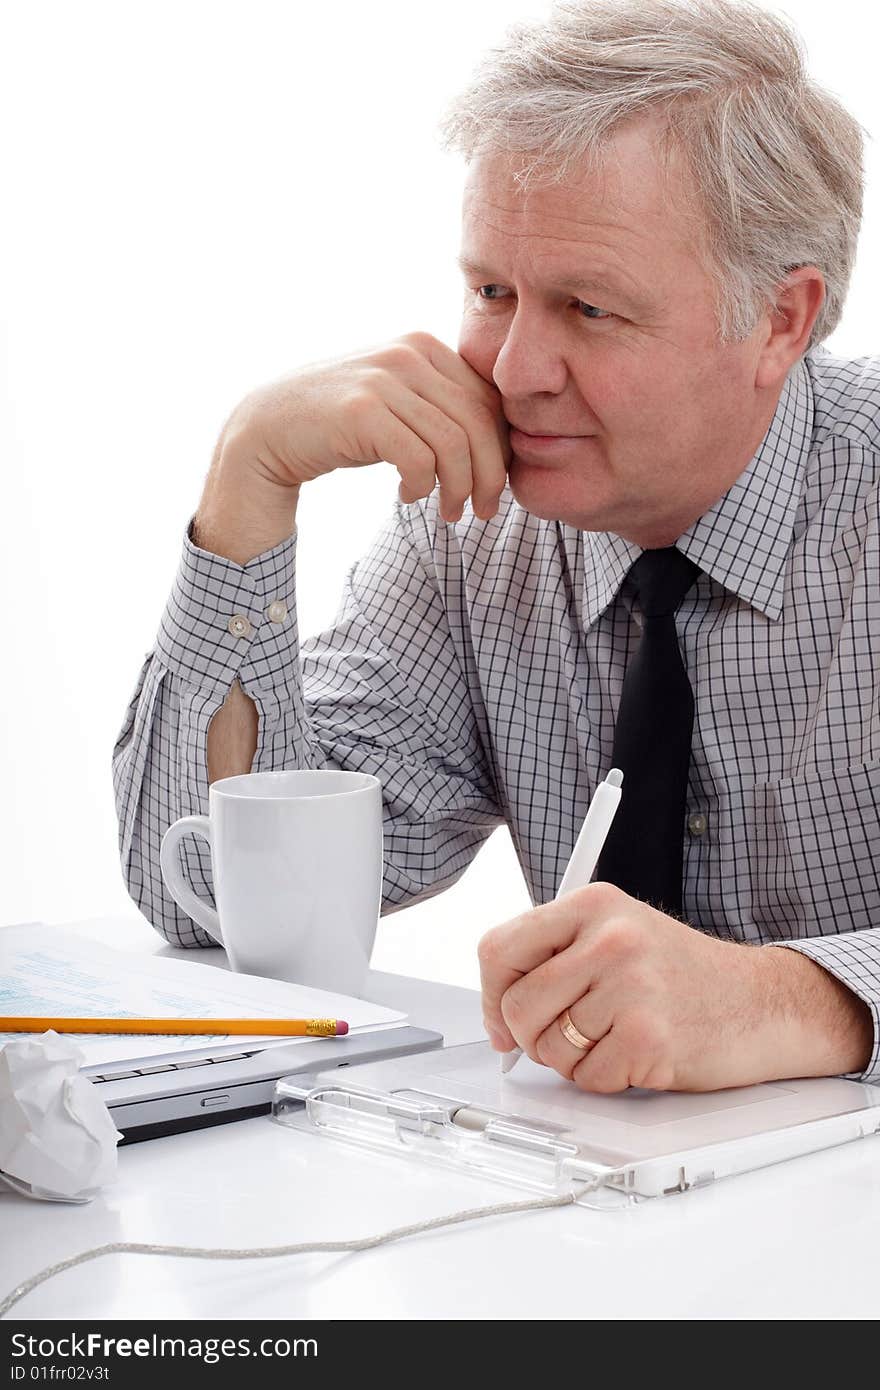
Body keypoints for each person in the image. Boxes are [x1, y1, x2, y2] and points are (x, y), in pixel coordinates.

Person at [112, 0, 880, 1094]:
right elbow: (190, 891)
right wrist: (247, 488)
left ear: (779, 322)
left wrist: (789, 1002)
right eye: (491, 291)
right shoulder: (475, 524)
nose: (514, 370)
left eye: (588, 307)